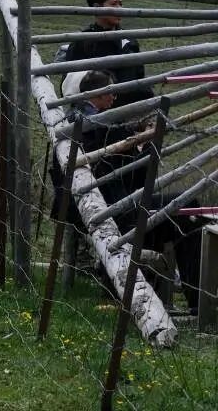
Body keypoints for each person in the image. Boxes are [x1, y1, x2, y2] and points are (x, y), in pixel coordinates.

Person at [54, 71, 203, 313]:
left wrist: (138, 140)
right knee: (188, 208)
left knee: (185, 207)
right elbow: (135, 176)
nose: (114, 98)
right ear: (97, 94)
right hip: (115, 210)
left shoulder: (84, 120)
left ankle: (180, 296)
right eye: (110, 92)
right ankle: (197, 302)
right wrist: (145, 143)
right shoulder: (94, 125)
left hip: (110, 204)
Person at [54, 0, 153, 105]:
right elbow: (69, 86)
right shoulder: (82, 42)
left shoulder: (130, 40)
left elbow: (139, 76)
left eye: (120, 4)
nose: (119, 9)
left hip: (132, 109)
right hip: (100, 111)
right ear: (97, 7)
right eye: (114, 4)